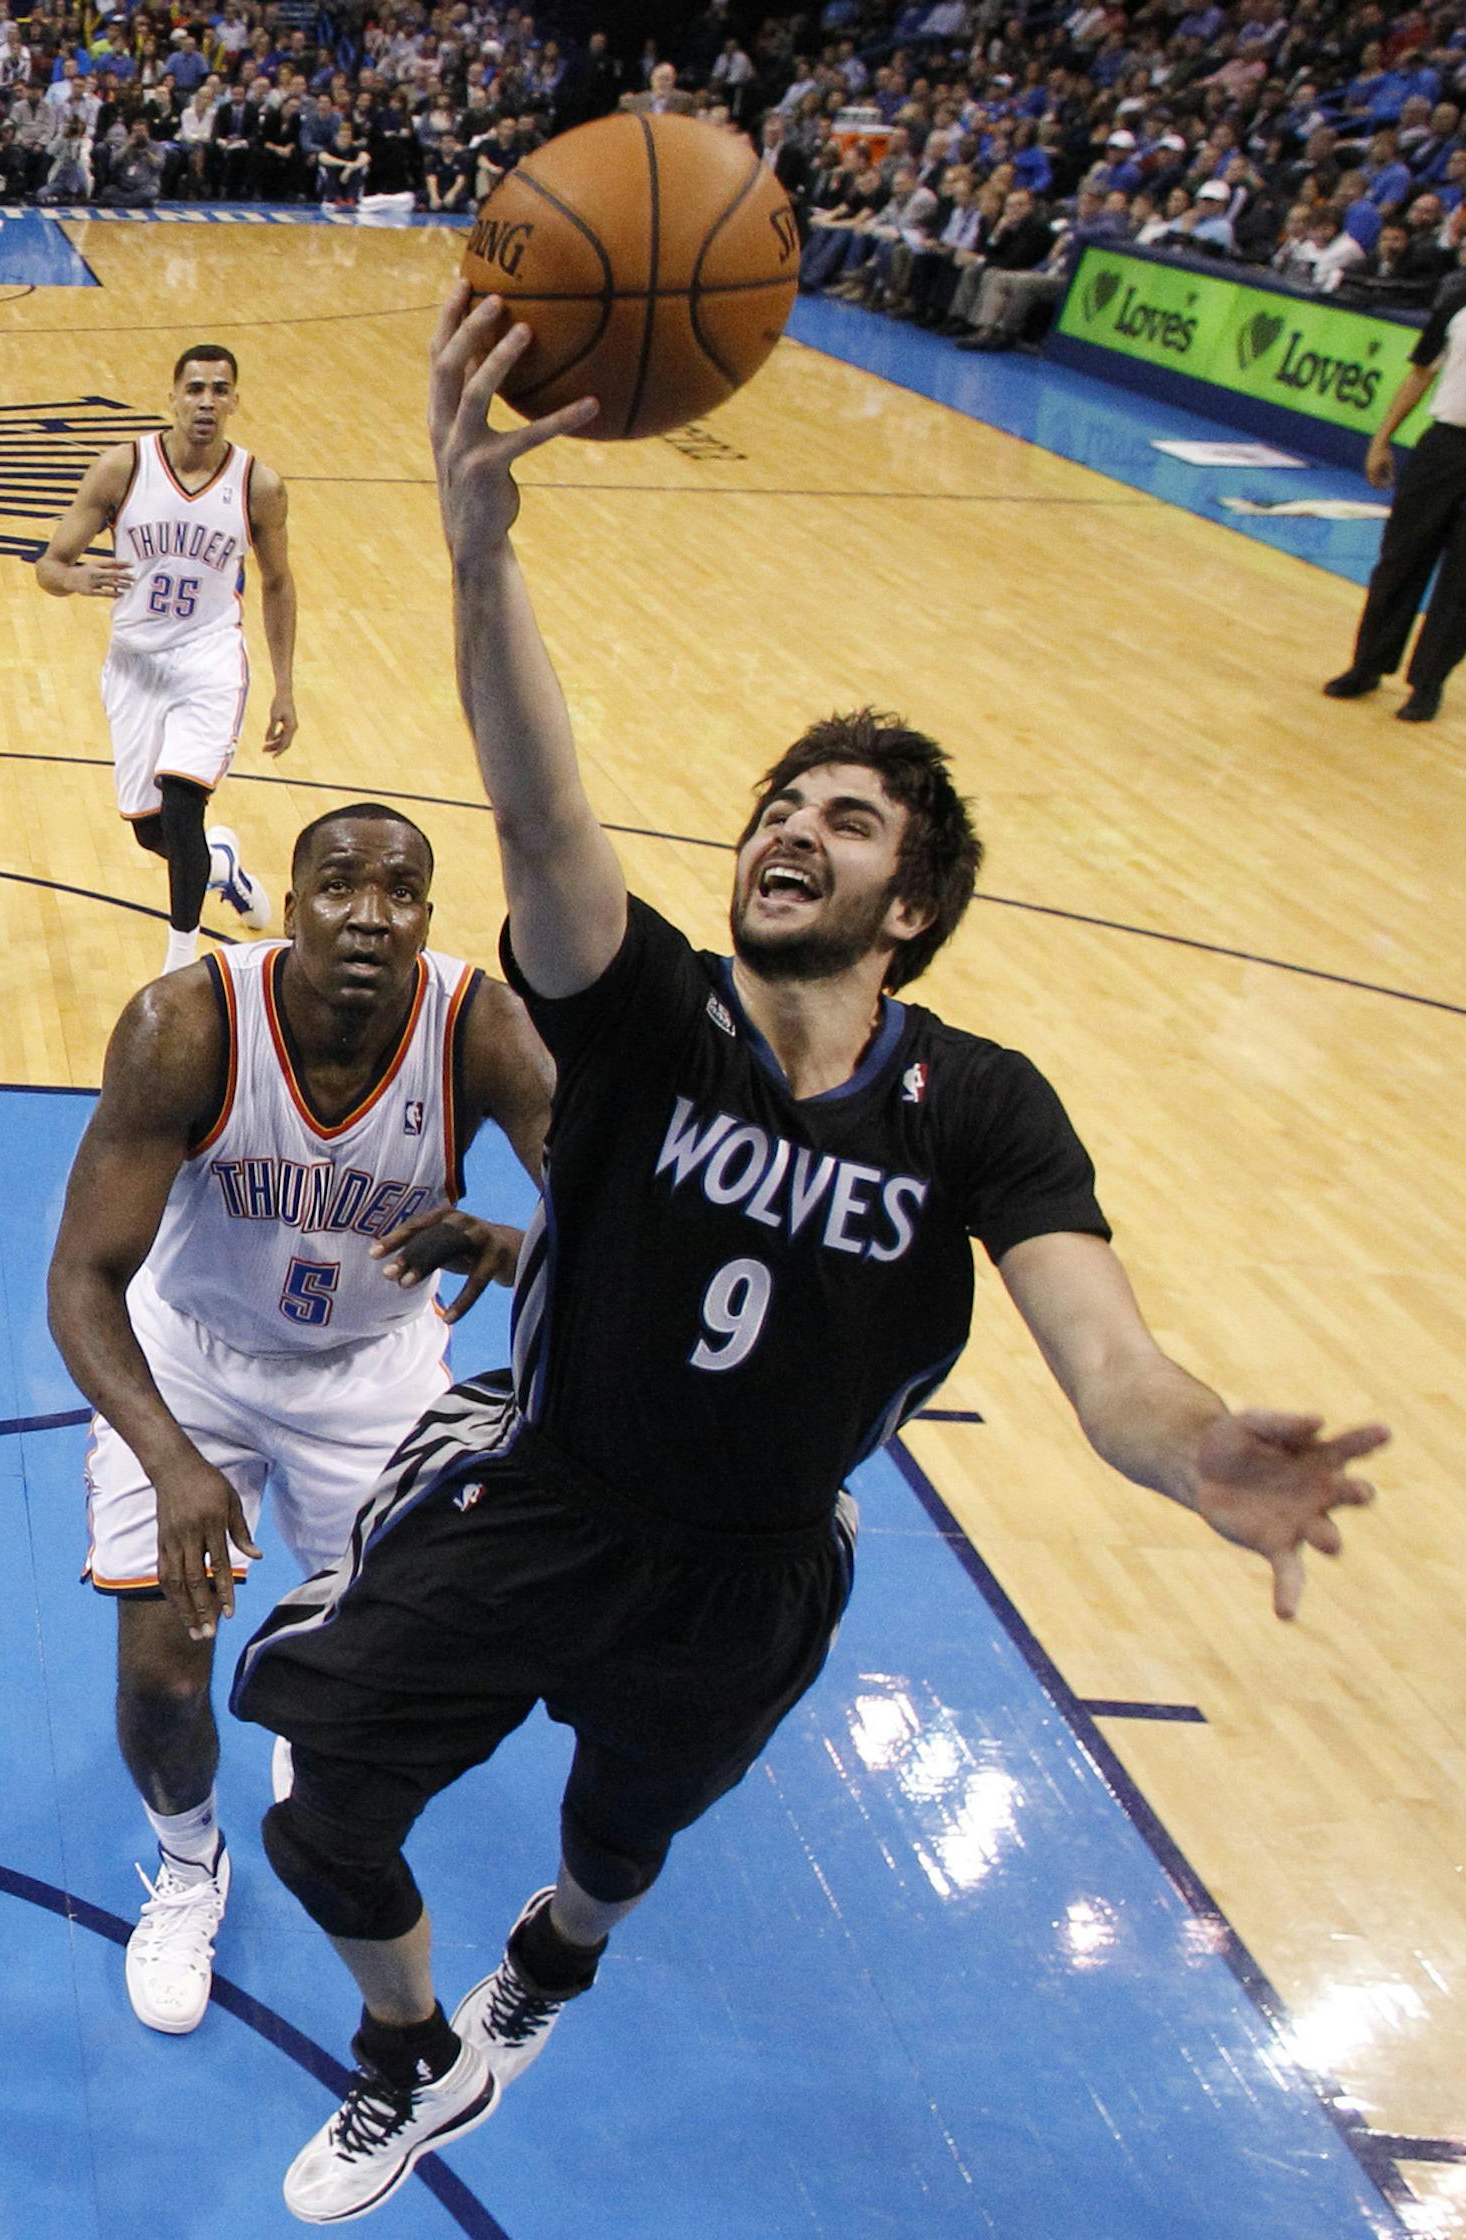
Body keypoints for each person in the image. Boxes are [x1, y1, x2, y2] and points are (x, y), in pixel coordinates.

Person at [230, 287, 1390, 2225]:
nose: (791, 828)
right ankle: (407, 2053)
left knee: (622, 1836)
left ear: (908, 899)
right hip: (543, 1492)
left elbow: (1107, 1359)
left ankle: (554, 1962)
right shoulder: (643, 1005)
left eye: (845, 821)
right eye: (780, 804)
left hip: (755, 1571)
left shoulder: (986, 1107)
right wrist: (478, 541)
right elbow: (537, 797)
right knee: (329, 1805)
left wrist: (1194, 1450)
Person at [46, 802, 554, 2036]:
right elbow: (79, 1279)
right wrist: (171, 1459)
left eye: (402, 892)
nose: (371, 914)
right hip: (194, 1357)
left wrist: (517, 1239)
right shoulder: (186, 1025)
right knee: (164, 1671)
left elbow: (629, 1223)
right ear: (287, 901)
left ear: (431, 917)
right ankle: (186, 1864)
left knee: (371, 1674)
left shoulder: (481, 1029)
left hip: (373, 1368)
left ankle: (305, 1718)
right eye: (339, 885)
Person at [36, 345, 298, 974]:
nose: (207, 401)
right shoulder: (121, 470)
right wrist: (73, 580)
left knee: (183, 804)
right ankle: (223, 866)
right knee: (154, 832)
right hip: (134, 663)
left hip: (209, 659)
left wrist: (284, 688)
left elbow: (278, 584)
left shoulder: (259, 486)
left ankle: (178, 961)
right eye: (196, 389)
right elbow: (49, 565)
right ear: (173, 397)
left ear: (235, 401)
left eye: (220, 390)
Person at [1324, 267, 1466, 721]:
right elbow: (1420, 373)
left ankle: (1428, 684)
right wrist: (1382, 438)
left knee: (1462, 581)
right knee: (1400, 558)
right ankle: (1367, 665)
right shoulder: (1456, 300)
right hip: (1445, 443)